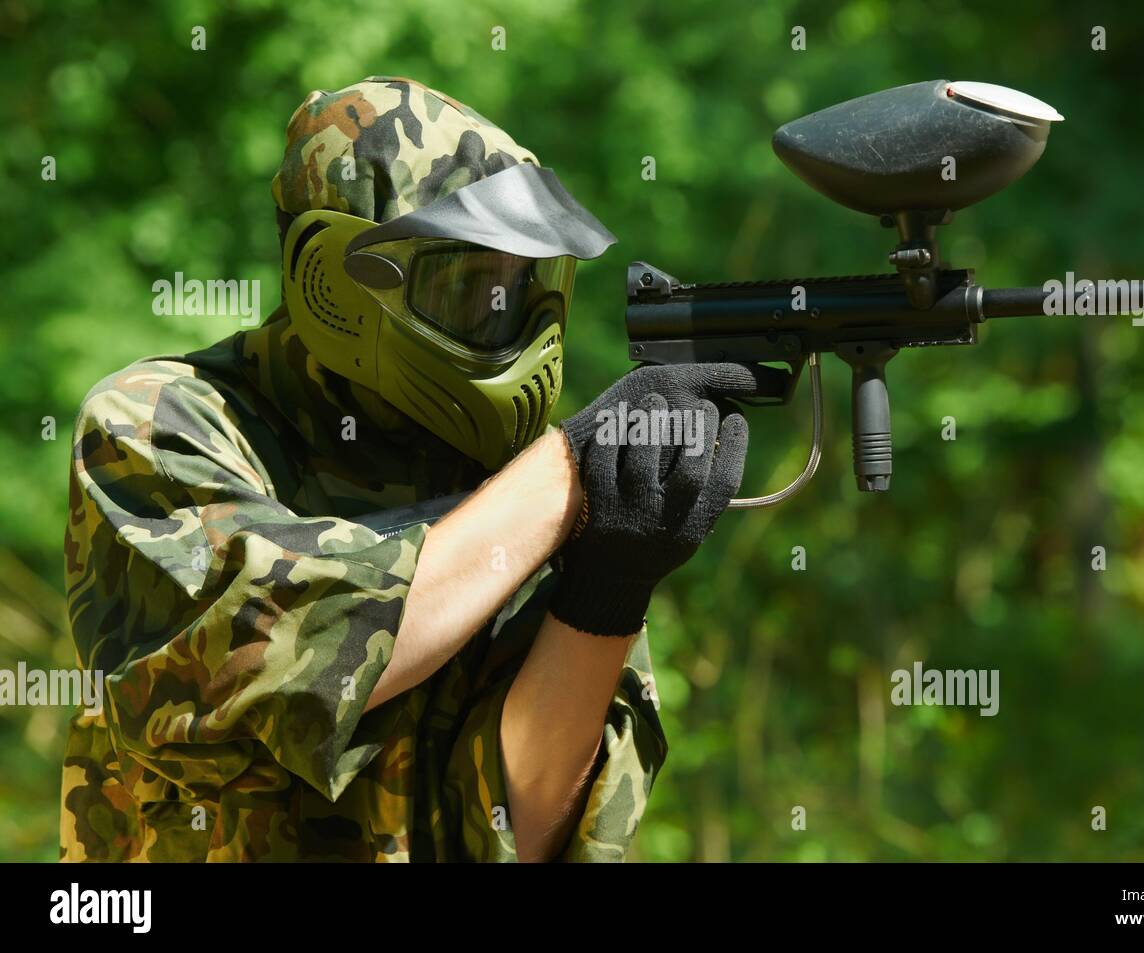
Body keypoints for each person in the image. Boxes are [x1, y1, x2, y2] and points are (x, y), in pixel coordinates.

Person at [59, 76, 775, 862]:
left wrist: (608, 587)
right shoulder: (163, 426)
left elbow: (521, 828)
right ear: (333, 282)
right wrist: (572, 463)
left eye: (526, 288)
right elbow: (276, 666)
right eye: (472, 287)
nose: (513, 322)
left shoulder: (517, 494)